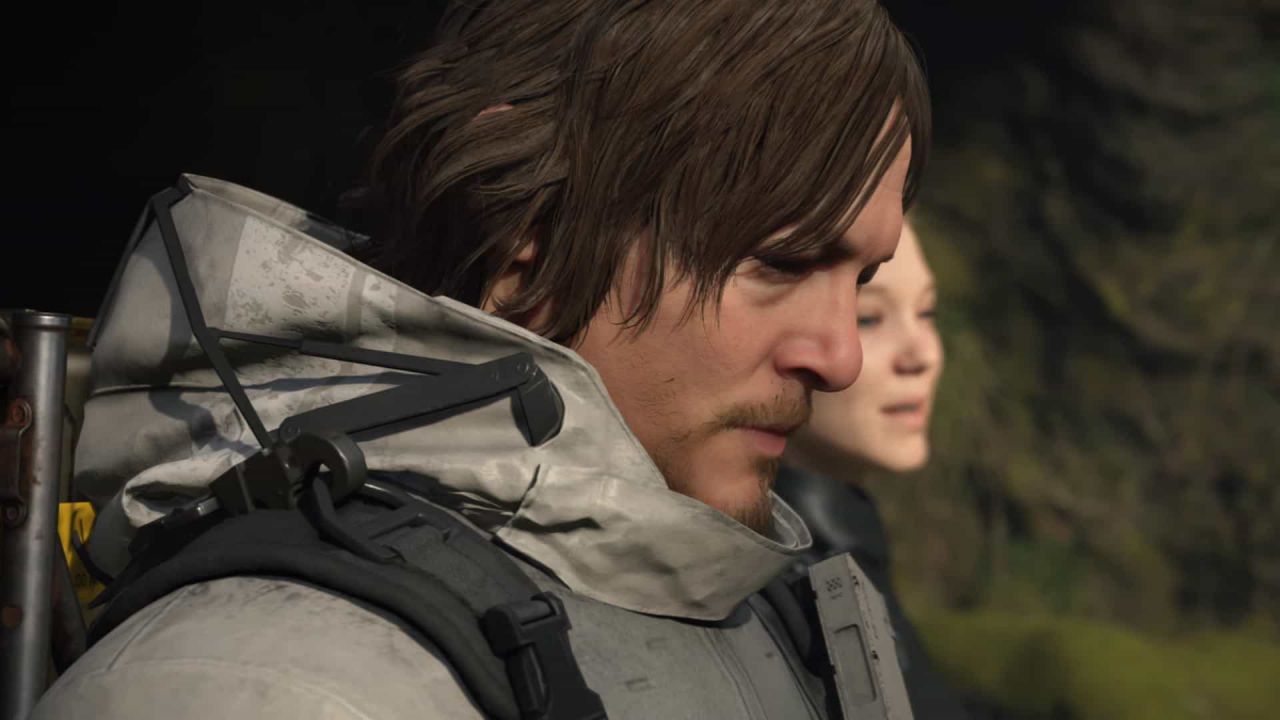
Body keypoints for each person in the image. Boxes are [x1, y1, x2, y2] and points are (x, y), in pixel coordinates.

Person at [36, 2, 930, 718]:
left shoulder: (784, 621)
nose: (841, 357)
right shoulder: (260, 686)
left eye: (860, 278)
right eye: (780, 263)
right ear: (527, 237)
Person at [776, 220, 967, 718]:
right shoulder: (781, 593)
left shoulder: (849, 550)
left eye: (927, 311)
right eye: (869, 318)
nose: (922, 355)